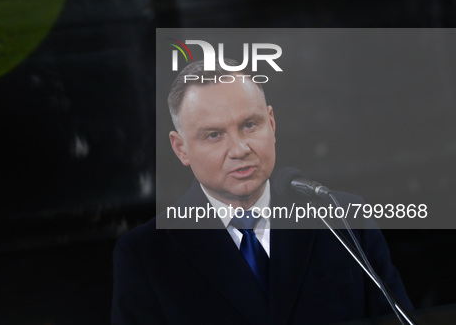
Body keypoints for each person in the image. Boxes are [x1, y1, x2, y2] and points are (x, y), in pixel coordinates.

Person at [111, 59, 412, 325]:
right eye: (214, 135)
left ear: (271, 122)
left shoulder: (341, 220)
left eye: (249, 125)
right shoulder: (146, 256)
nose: (240, 149)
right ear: (181, 148)